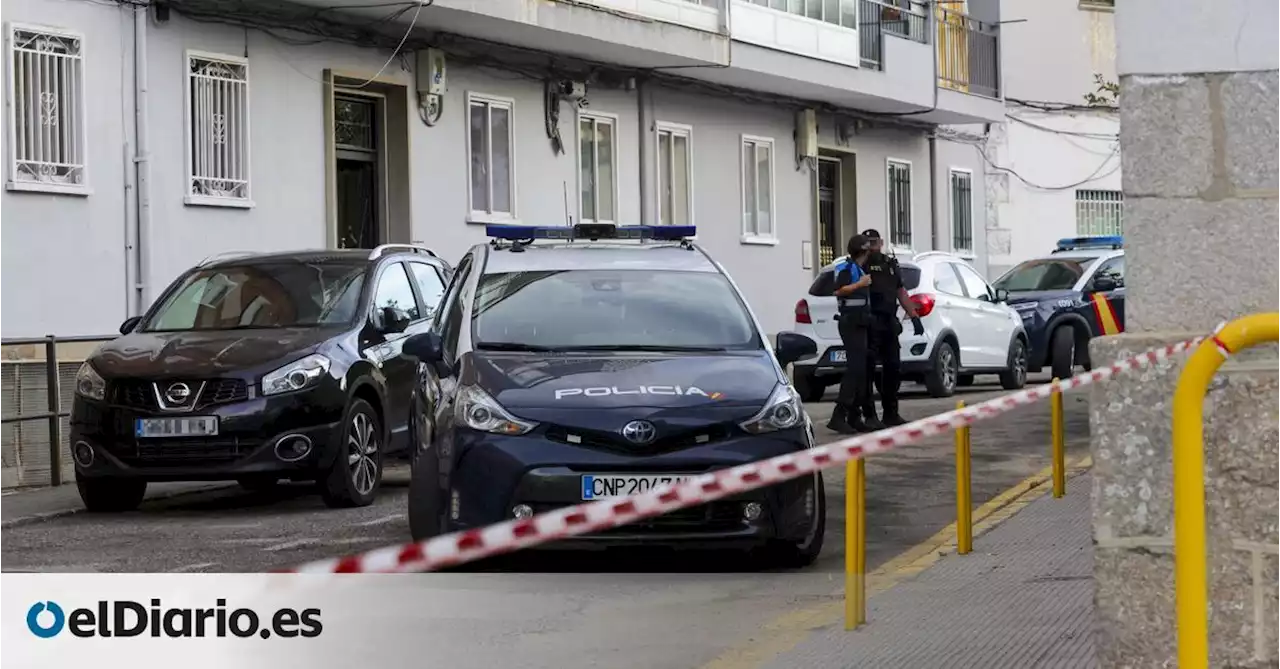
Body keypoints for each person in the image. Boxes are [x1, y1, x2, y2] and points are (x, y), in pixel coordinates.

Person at [859, 229, 924, 429]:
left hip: (888, 321)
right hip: (870, 321)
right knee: (867, 371)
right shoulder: (860, 264)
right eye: (868, 243)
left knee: (893, 368)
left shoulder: (890, 264)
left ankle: (891, 413)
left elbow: (900, 292)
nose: (872, 246)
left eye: (875, 242)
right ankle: (869, 415)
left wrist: (913, 316)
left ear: (881, 242)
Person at [827, 234, 875, 435]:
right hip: (851, 324)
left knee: (861, 371)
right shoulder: (848, 268)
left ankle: (854, 417)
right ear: (864, 251)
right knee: (854, 369)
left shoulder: (857, 268)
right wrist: (860, 284)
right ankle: (839, 416)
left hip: (859, 323)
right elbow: (838, 291)